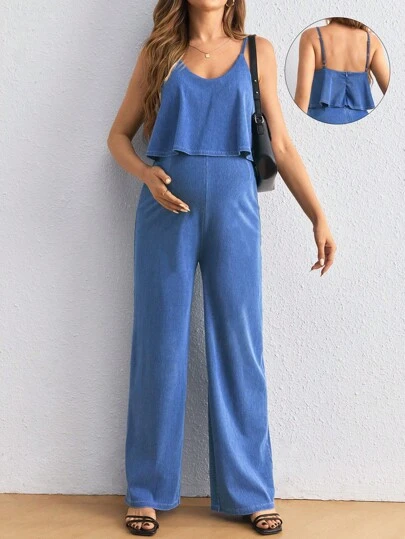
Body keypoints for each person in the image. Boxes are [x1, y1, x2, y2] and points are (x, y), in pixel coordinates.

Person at [107, 0, 336, 535]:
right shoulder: (158, 53)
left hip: (236, 208)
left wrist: (318, 215)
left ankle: (251, 491)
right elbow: (117, 136)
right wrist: (145, 173)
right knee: (158, 345)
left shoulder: (258, 53)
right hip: (165, 210)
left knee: (240, 346)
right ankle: (146, 491)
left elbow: (281, 144)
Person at [295, 17, 389, 124]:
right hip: (361, 122)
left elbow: (302, 98)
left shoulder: (311, 36)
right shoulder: (371, 40)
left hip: (320, 120)